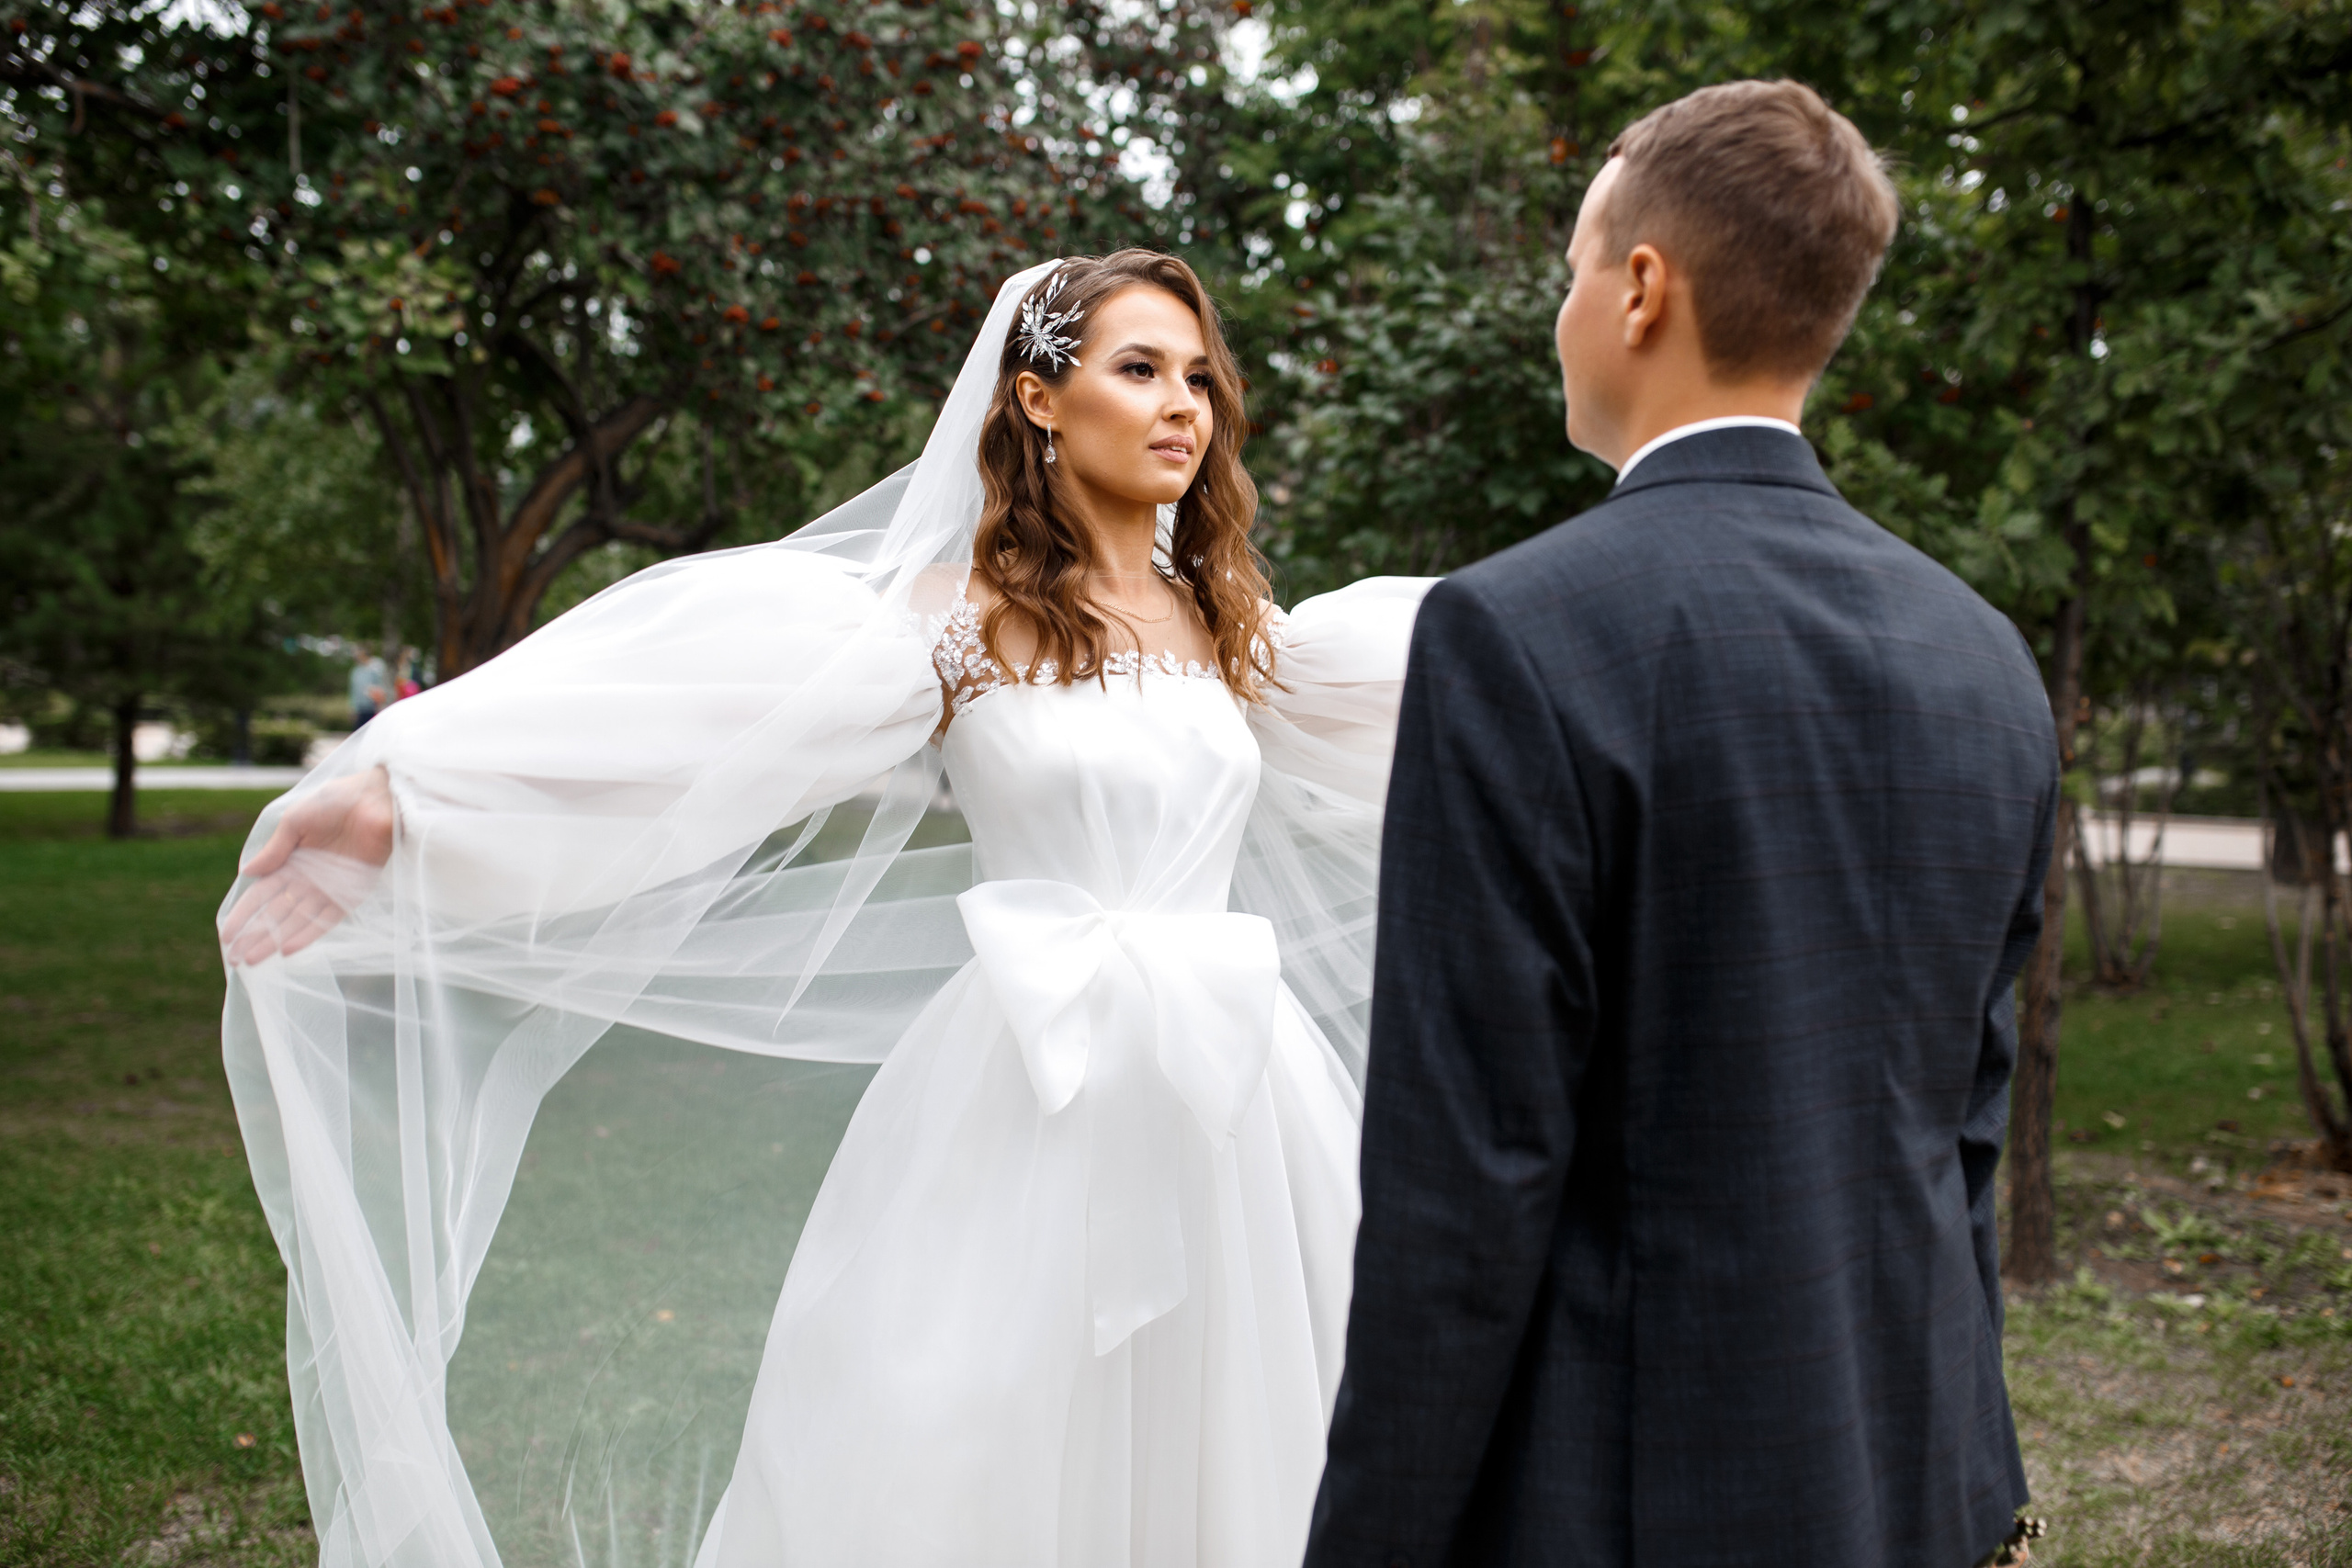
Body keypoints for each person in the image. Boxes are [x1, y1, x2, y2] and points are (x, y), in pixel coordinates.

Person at [218, 252, 1432, 1566]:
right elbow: (699, 730)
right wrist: (417, 801)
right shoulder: (957, 618)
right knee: (957, 1416)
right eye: (1137, 369)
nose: (1182, 404)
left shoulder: (1239, 623)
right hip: (1029, 1086)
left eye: (1199, 377)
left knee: (1249, 1423)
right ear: (1036, 398)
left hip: (1235, 1101)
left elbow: (1467, 693)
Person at [1306, 81, 2058, 1568]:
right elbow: (1958, 1135)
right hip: (1913, 1472)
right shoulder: (1985, 652)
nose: (1564, 309)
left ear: (1642, 288)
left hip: (1624, 1498)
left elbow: (1464, 1192)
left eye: (1573, 266)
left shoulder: (1514, 634)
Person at [345, 649, 387, 729]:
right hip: (360, 708)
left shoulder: (375, 669)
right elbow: (353, 691)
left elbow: (380, 687)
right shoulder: (356, 671)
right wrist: (352, 708)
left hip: (372, 707)